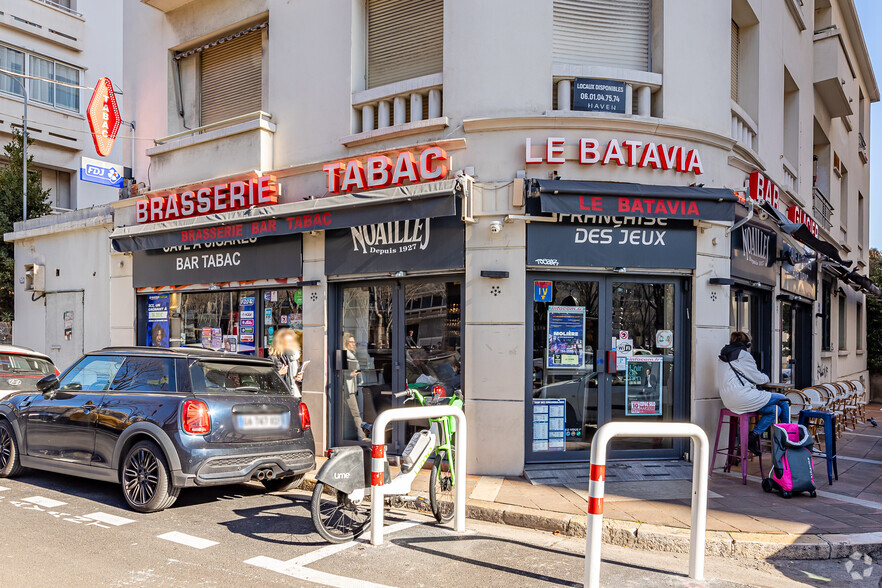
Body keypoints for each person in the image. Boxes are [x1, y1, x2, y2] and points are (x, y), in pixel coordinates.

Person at [717, 331, 789, 455]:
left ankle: (754, 436)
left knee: (775, 410)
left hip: (728, 400)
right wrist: (766, 378)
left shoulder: (722, 356)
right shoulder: (743, 355)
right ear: (748, 344)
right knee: (783, 400)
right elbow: (758, 378)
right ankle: (787, 440)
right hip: (743, 397)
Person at [342, 333, 368, 441]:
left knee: (354, 413)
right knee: (356, 413)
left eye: (354, 342)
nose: (353, 344)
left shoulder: (351, 354)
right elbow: (340, 372)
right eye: (350, 342)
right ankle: (361, 436)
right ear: (345, 343)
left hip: (352, 387)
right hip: (347, 388)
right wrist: (350, 375)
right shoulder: (344, 355)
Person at [269, 328, 302, 398]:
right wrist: (279, 374)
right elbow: (268, 382)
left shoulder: (293, 358)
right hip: (281, 395)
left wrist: (299, 378)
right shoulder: (274, 358)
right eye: (288, 341)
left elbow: (294, 381)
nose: (291, 344)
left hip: (294, 394)